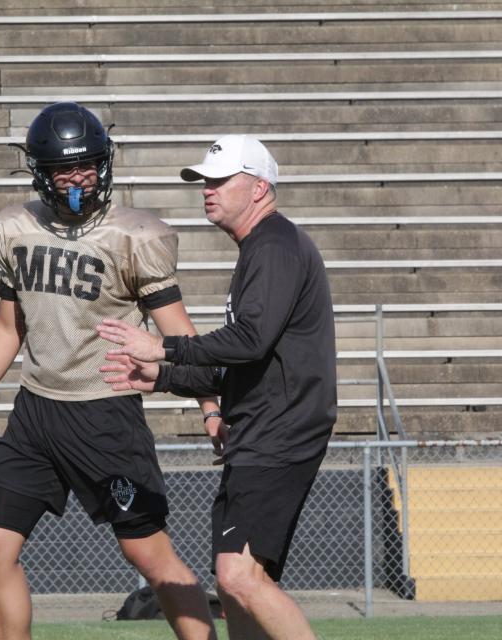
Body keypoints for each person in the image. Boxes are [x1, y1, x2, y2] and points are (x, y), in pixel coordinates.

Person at [0, 102, 219, 640]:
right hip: (36, 413)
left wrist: (210, 404)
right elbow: (8, 328)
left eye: (87, 165)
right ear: (42, 174)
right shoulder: (16, 227)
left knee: (151, 558)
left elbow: (179, 334)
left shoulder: (136, 236)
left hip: (105, 413)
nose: (78, 178)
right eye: (64, 169)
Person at [97, 134, 337, 640]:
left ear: (258, 187)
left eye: (221, 180)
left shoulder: (274, 245)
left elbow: (248, 341)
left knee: (238, 577)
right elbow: (235, 365)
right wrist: (160, 377)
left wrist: (161, 348)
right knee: (238, 583)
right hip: (258, 431)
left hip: (280, 431)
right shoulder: (260, 249)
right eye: (205, 181)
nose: (208, 189)